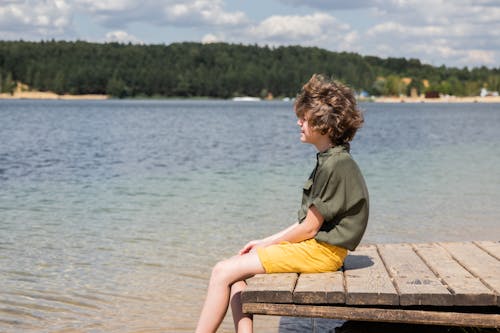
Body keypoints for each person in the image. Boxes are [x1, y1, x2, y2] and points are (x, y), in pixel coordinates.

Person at [195, 74, 369, 333]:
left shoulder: (336, 164)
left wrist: (266, 243)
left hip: (322, 253)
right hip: (319, 249)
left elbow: (309, 228)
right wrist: (263, 241)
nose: (299, 122)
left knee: (222, 271)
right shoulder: (331, 159)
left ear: (324, 124)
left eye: (305, 118)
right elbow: (308, 223)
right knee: (235, 274)